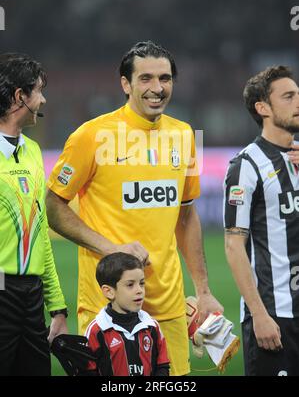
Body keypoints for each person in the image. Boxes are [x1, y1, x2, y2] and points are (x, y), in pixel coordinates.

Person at [46, 40, 223, 375]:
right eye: (146, 79)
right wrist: (113, 251)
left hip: (168, 306)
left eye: (165, 78)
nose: (157, 88)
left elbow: (186, 215)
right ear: (125, 84)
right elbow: (53, 207)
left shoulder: (184, 135)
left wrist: (203, 291)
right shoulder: (91, 136)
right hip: (107, 306)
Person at [224, 65, 299, 376]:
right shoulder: (246, 166)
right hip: (275, 318)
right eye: (289, 96)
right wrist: (259, 315)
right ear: (263, 108)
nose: (298, 102)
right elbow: (233, 245)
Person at [0, 53, 68, 376]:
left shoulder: (33, 152)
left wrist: (56, 305)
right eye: (39, 90)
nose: (43, 98)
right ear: (19, 97)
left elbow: (40, 233)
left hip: (32, 298)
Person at [84, 252, 169, 376]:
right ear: (109, 292)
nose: (139, 290)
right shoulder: (96, 331)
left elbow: (162, 367)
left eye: (141, 283)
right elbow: (89, 371)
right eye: (130, 285)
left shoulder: (152, 326)